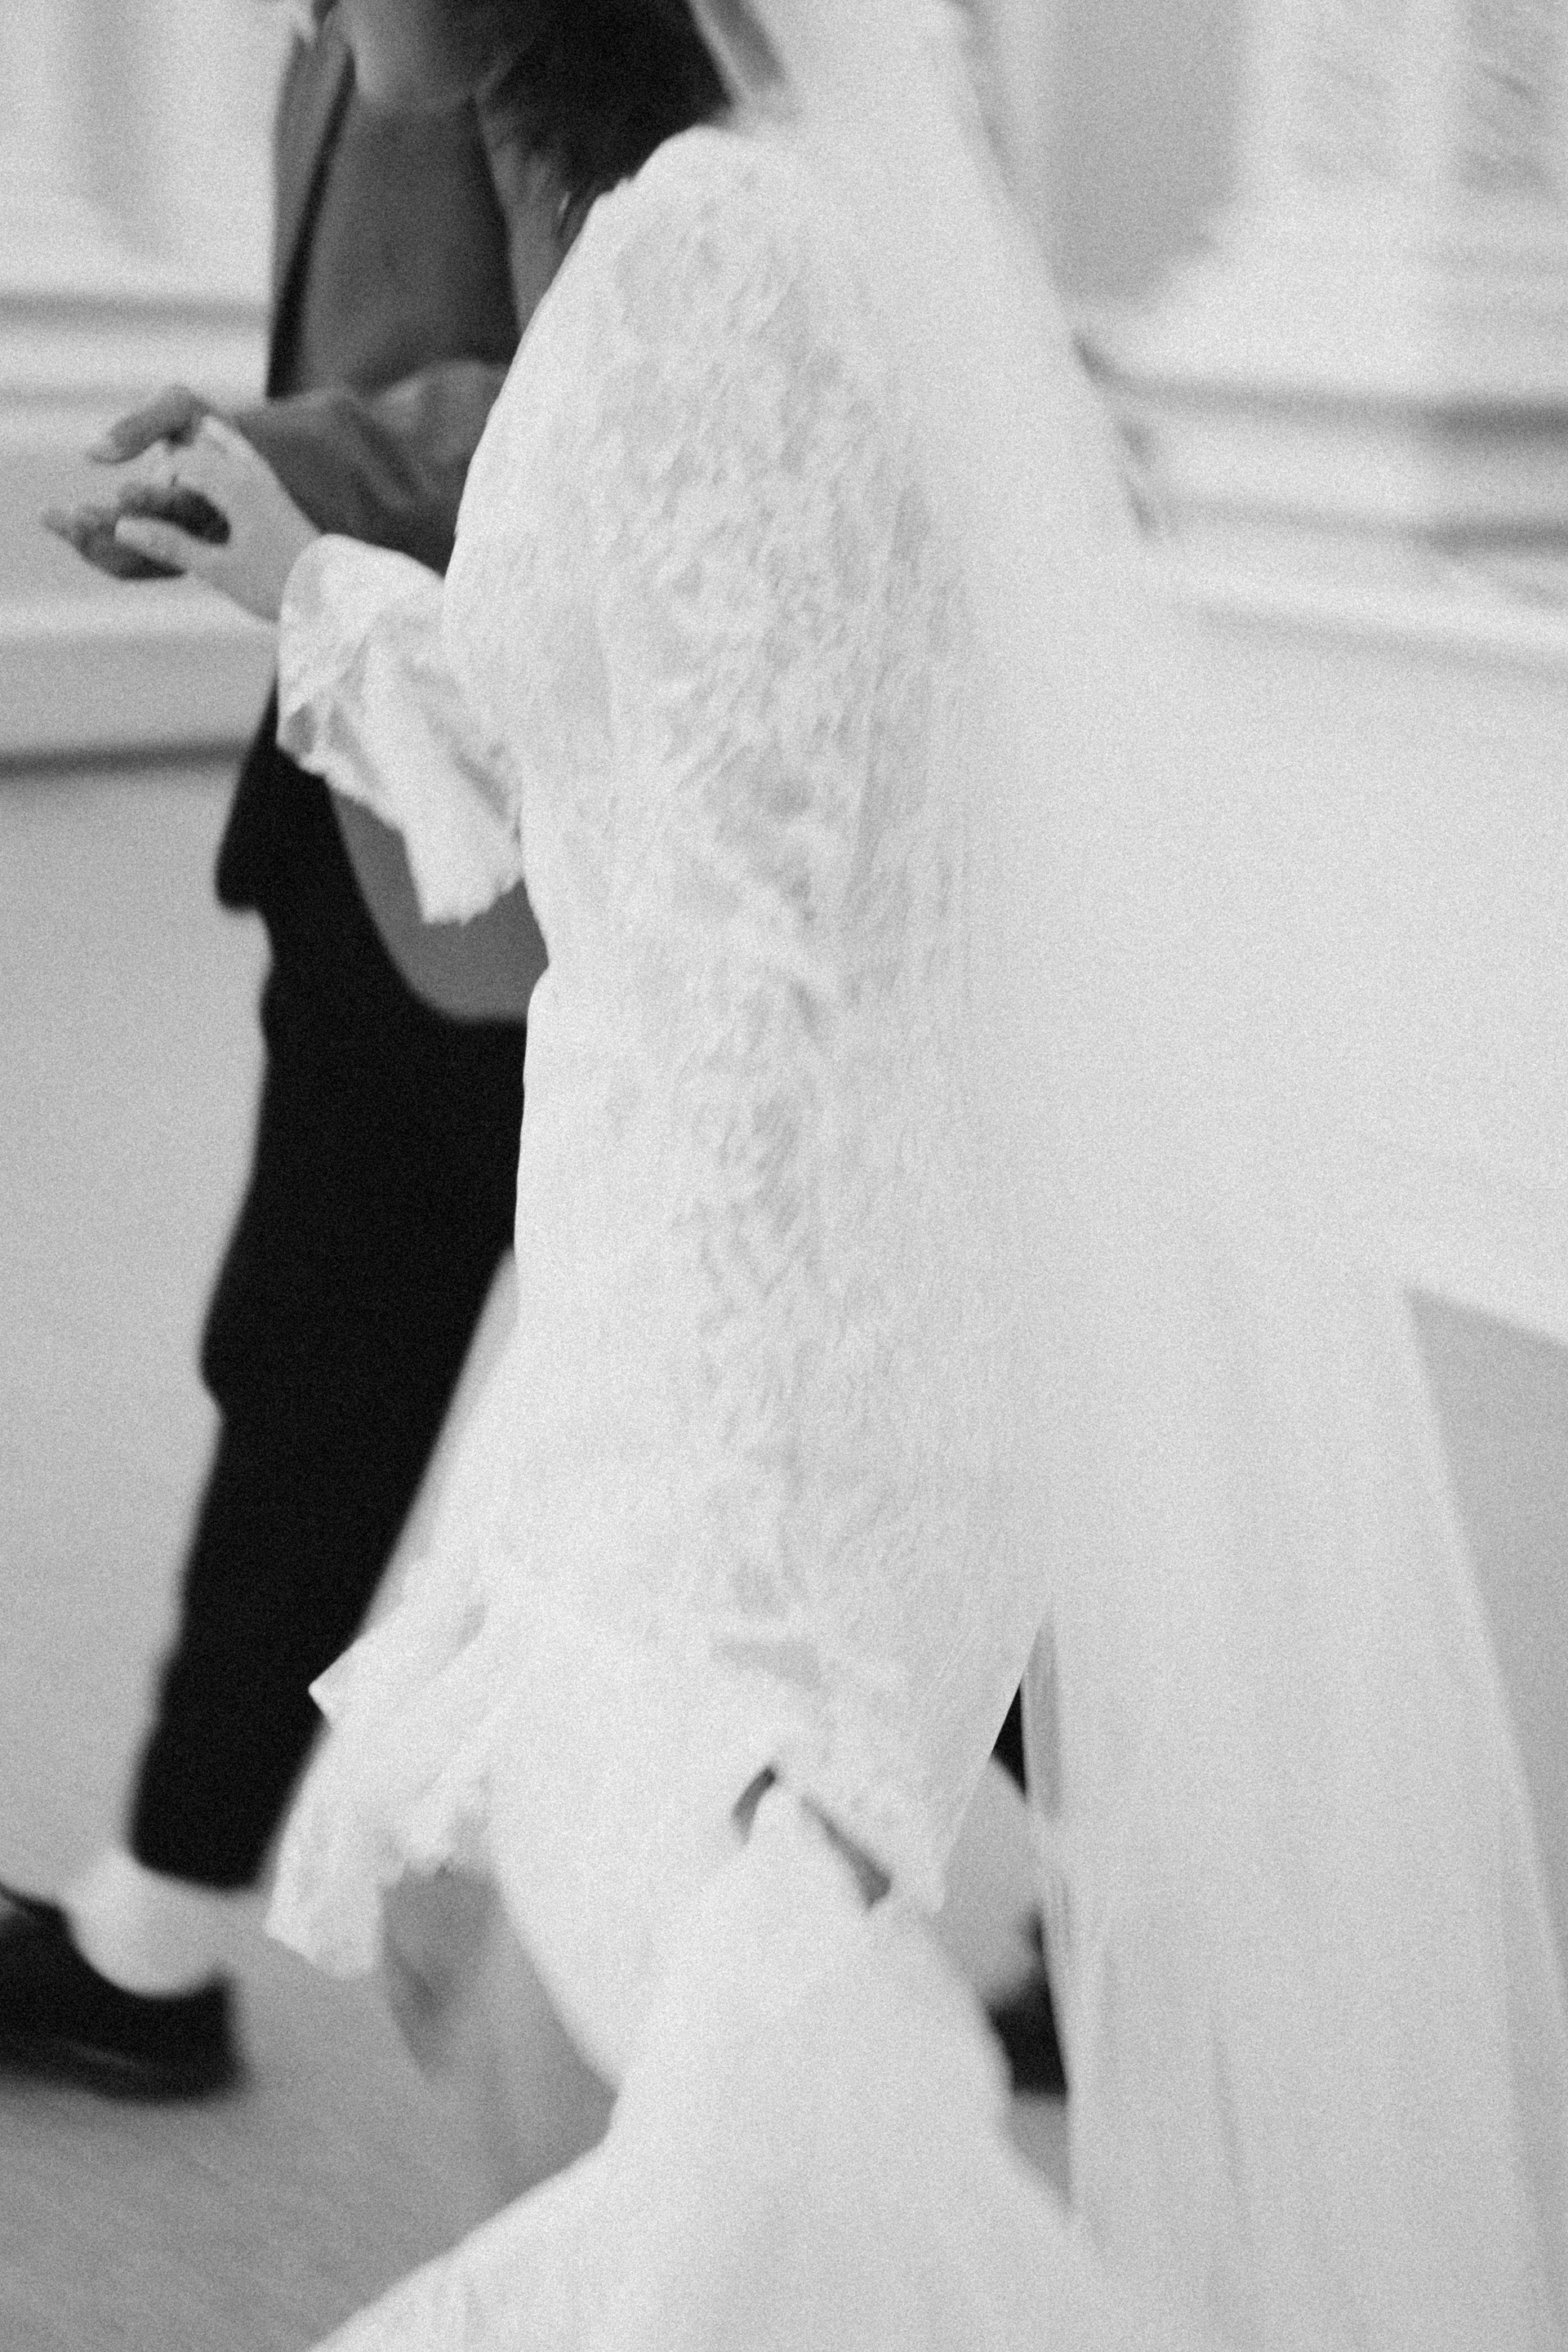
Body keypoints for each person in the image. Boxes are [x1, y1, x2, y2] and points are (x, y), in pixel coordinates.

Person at [106, 0, 1568, 2343]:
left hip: (723, 1422)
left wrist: (756, 1653)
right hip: (665, 1324)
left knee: (666, 2134)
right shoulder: (754, 219)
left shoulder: (719, 255)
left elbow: (750, 971)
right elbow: (627, 755)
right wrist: (304, 582)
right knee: (488, 1961)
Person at [0, 0, 559, 2099]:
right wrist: (245, 463)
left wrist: (287, 467)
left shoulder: (564, 31)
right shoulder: (337, 30)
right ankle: (152, 1927)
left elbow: (607, 385)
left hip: (524, 809)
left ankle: (1186, 1873)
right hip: (376, 778)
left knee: (752, 1418)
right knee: (320, 1346)